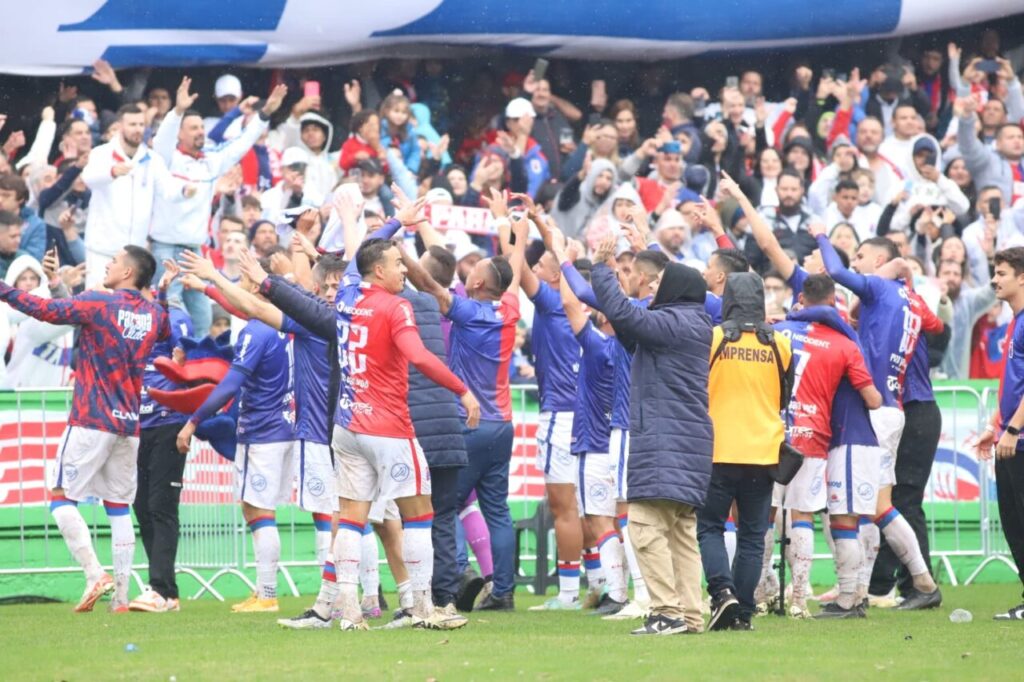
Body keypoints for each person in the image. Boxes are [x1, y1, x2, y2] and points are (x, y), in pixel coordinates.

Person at [0, 246, 168, 612]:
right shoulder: (153, 314)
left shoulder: (100, 303)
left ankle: (95, 574)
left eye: (114, 260)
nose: (108, 263)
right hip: (128, 424)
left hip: (92, 417)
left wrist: (4, 288)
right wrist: (162, 294)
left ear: (127, 273)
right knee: (119, 507)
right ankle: (121, 599)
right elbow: (165, 328)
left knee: (60, 498)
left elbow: (45, 311)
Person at [404, 189, 523, 613]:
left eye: (475, 267)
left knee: (444, 504)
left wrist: (400, 248)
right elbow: (516, 261)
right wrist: (507, 224)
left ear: (474, 282)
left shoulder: (467, 312)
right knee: (497, 509)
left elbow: (427, 282)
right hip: (503, 425)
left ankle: (458, 574)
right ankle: (504, 592)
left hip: (469, 420)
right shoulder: (509, 308)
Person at [814, 228, 944, 610]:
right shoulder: (911, 299)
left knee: (857, 505)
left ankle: (857, 594)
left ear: (877, 263)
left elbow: (836, 272)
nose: (854, 263)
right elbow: (935, 327)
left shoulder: (878, 287)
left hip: (877, 410)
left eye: (860, 257)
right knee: (878, 505)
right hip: (893, 407)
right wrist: (904, 275)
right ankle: (903, 585)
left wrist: (822, 237)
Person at [591, 235, 713, 636]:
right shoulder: (693, 322)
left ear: (677, 289)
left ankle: (666, 612)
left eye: (660, 284)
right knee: (681, 534)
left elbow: (626, 317)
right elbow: (634, 333)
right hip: (688, 443)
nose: (651, 288)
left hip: (665, 441)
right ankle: (691, 614)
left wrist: (602, 269)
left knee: (643, 525)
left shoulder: (675, 321)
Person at [176, 254, 294, 614]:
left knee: (259, 509)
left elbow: (231, 383)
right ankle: (270, 591)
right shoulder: (289, 325)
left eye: (243, 281)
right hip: (288, 427)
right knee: (267, 509)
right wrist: (207, 287)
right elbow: (235, 302)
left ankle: (268, 594)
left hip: (262, 430)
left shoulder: (256, 331)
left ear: (258, 288)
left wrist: (194, 419)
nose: (238, 288)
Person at [772, 275, 883, 619]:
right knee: (815, 517)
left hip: (774, 433)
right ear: (835, 302)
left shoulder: (779, 331)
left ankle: (761, 593)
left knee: (765, 514)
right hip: (817, 437)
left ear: (801, 299)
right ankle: (800, 600)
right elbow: (874, 400)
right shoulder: (845, 343)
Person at [150, 78, 287, 338]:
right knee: (172, 312)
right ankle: (169, 366)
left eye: (201, 127)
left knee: (202, 317)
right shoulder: (166, 157)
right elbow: (162, 139)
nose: (200, 131)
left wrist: (265, 113)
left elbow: (241, 144)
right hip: (165, 246)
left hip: (194, 248)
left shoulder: (211, 161)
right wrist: (177, 111)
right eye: (192, 128)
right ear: (179, 133)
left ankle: (198, 367)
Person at [699, 272, 792, 631]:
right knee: (752, 535)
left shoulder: (714, 338)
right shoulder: (779, 343)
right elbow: (785, 395)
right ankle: (745, 611)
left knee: (709, 527)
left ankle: (723, 594)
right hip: (764, 451)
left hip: (719, 447)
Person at [128, 282, 193, 614]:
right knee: (142, 507)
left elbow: (188, 355)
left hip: (170, 424)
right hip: (139, 427)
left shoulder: (170, 322)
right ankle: (165, 591)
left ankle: (161, 589)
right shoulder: (135, 331)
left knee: (161, 507)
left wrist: (172, 298)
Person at [80, 105, 183, 288]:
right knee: (96, 307)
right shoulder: (102, 153)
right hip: (102, 250)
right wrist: (111, 172)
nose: (138, 129)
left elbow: (168, 189)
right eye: (132, 124)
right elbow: (88, 178)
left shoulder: (152, 159)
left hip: (135, 254)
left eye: (141, 124)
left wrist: (185, 190)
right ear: (120, 126)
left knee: (128, 310)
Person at [976, 246, 1024, 620]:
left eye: (1002, 272)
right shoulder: (1014, 321)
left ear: (1022, 277)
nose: (994, 279)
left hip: (1020, 439)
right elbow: (1013, 384)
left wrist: (1012, 429)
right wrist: (997, 428)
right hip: (1011, 438)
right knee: (1013, 522)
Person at [956, 96, 1024, 206]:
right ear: (998, 143)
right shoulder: (986, 159)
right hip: (994, 220)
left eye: (1020, 137)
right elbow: (968, 145)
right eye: (1011, 137)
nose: (1017, 141)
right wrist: (967, 117)